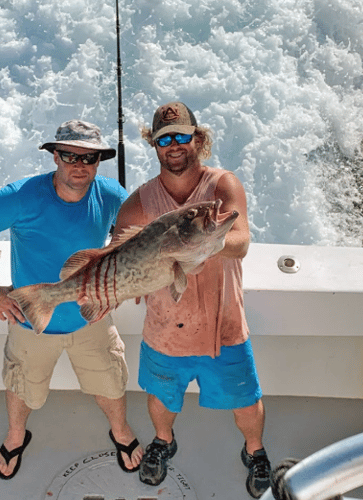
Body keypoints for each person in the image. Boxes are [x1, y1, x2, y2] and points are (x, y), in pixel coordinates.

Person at [0, 120, 143, 480]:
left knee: (110, 382)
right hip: (30, 320)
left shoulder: (113, 196)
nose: (79, 164)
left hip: (91, 317)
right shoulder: (21, 196)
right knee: (23, 386)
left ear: (99, 161)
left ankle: (120, 430)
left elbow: (130, 248)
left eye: (90, 158)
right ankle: (15, 435)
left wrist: (122, 285)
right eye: (70, 154)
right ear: (55, 156)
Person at [112, 102, 271, 498]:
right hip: (166, 329)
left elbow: (239, 241)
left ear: (197, 138)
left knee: (247, 403)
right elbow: (117, 259)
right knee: (161, 399)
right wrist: (129, 283)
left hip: (225, 325)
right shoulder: (138, 204)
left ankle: (256, 452)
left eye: (182, 135)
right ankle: (163, 442)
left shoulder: (222, 186)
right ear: (154, 145)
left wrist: (193, 243)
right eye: (164, 139)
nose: (174, 145)